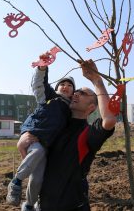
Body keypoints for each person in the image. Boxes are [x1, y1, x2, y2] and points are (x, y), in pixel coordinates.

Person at [17, 59, 117, 211]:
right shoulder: (57, 127)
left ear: (91, 108)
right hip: (44, 206)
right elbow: (37, 154)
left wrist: (96, 81)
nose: (76, 93)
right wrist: (25, 136)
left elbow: (109, 119)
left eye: (82, 93)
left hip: (73, 206)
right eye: (76, 92)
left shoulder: (88, 133)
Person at [6, 52, 76, 211]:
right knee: (36, 152)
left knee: (37, 179)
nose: (65, 86)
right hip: (34, 137)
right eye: (62, 84)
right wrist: (42, 68)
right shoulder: (50, 97)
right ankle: (16, 182)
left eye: (70, 85)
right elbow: (38, 84)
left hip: (47, 147)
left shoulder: (70, 111)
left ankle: (29, 205)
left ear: (73, 92)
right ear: (57, 87)